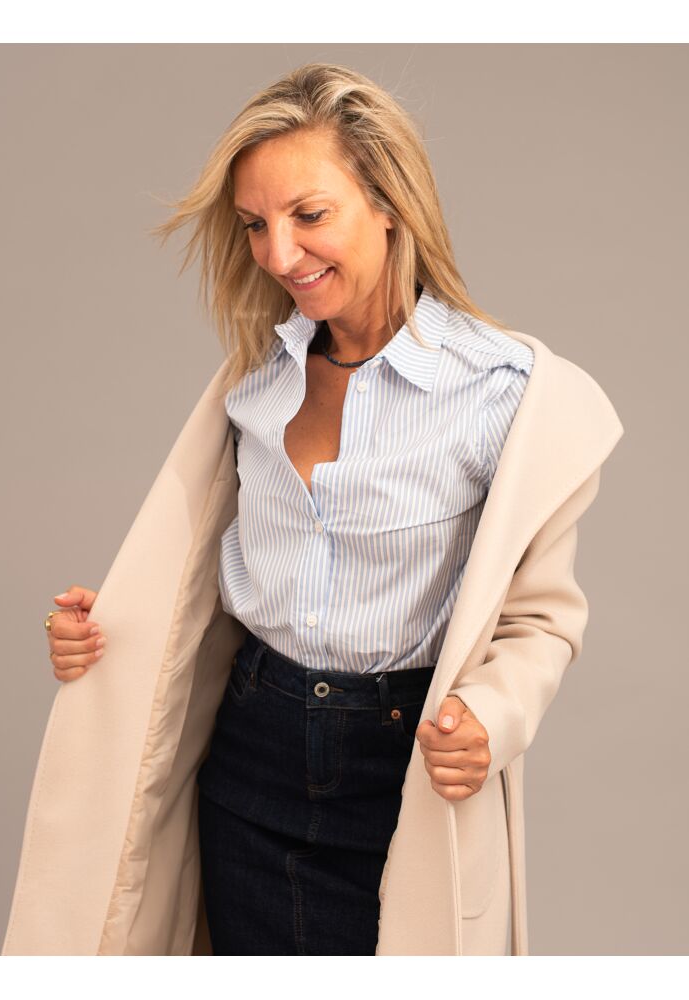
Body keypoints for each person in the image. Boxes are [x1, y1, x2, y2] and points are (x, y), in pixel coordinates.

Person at [34, 63, 622, 956]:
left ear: (388, 202)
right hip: (248, 761)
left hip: (403, 774)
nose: (279, 255)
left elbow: (541, 618)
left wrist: (491, 719)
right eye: (255, 225)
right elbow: (197, 586)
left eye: (309, 215)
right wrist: (100, 631)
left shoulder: (500, 393)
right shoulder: (255, 380)